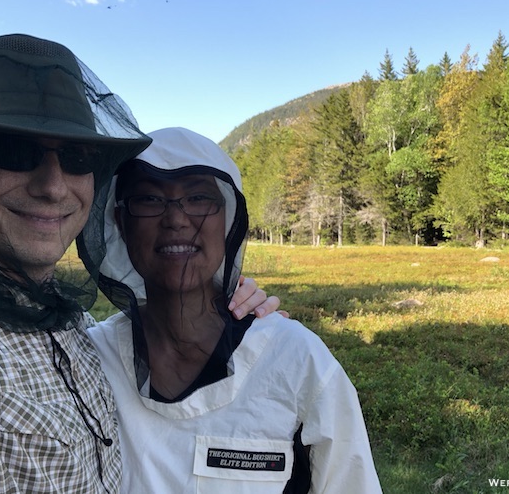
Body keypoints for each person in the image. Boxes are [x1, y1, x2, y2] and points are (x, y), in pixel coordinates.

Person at [0, 34, 278, 492]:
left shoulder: (81, 337)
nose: (54, 186)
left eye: (78, 157)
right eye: (15, 151)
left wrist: (227, 317)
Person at [87, 127, 382, 493]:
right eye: (149, 199)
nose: (177, 219)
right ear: (120, 222)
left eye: (198, 198)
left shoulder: (297, 360)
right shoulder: (90, 361)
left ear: (227, 220)